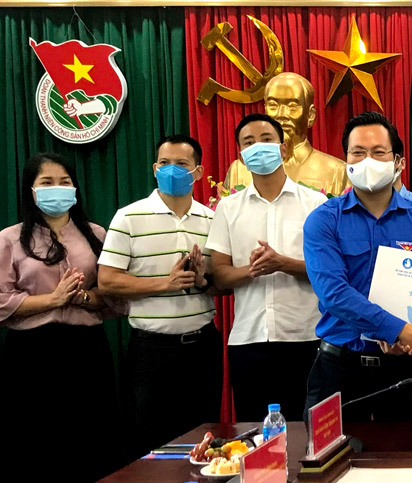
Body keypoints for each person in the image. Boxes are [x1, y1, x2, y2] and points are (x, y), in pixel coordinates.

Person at [303, 111, 412, 420]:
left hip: (410, 369)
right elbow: (334, 293)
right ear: (346, 160)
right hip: (340, 371)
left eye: (378, 152)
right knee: (332, 452)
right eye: (358, 152)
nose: (367, 161)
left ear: (397, 161)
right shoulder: (323, 220)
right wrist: (399, 330)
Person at [98, 135, 222, 452]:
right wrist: (164, 283)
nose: (171, 170)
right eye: (165, 163)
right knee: (153, 443)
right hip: (151, 350)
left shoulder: (212, 219)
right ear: (155, 169)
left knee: (205, 438)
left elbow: (221, 285)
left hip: (202, 348)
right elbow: (107, 281)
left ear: (198, 171)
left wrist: (201, 279)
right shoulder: (128, 217)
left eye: (181, 164)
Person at [0, 153, 118, 482]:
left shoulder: (96, 234)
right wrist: (52, 300)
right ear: (31, 190)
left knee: (92, 440)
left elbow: (114, 295)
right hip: (31, 353)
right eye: (47, 182)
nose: (57, 188)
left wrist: (83, 297)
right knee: (35, 444)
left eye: (65, 182)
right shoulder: (9, 238)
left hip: (87, 349)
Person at [207, 113, 329, 421]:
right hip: (249, 341)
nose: (258, 147)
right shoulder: (228, 208)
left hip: (305, 337)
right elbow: (219, 273)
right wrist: (252, 269)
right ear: (241, 156)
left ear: (283, 148)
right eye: (249, 143)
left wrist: (282, 263)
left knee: (308, 430)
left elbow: (327, 271)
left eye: (266, 140)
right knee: (253, 431)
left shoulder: (315, 204)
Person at [224, 72, 348, 196]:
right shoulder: (239, 170)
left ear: (310, 115)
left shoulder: (337, 172)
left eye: (292, 106)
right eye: (273, 105)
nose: (281, 114)